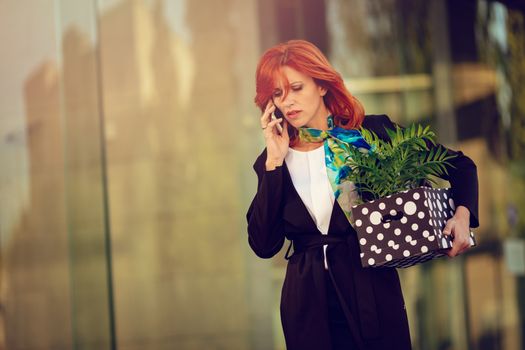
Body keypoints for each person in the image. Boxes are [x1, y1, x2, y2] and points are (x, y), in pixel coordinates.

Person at [246, 39, 479, 350]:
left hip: (370, 291)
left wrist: (462, 217)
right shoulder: (274, 160)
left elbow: (460, 166)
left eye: (297, 88)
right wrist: (275, 162)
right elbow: (263, 244)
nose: (288, 101)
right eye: (278, 93)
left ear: (322, 86)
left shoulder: (369, 134)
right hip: (306, 305)